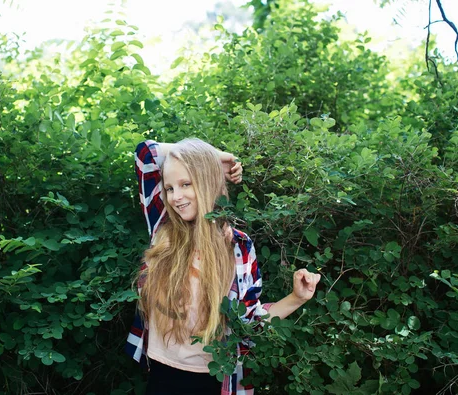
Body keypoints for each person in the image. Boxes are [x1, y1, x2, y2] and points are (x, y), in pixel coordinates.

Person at [125, 139, 321, 395]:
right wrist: (214, 156)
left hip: (212, 380)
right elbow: (145, 153)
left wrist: (297, 298)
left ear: (208, 182)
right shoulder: (164, 227)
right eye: (170, 188)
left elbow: (248, 321)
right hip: (161, 373)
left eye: (186, 184)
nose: (176, 197)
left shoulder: (238, 248)